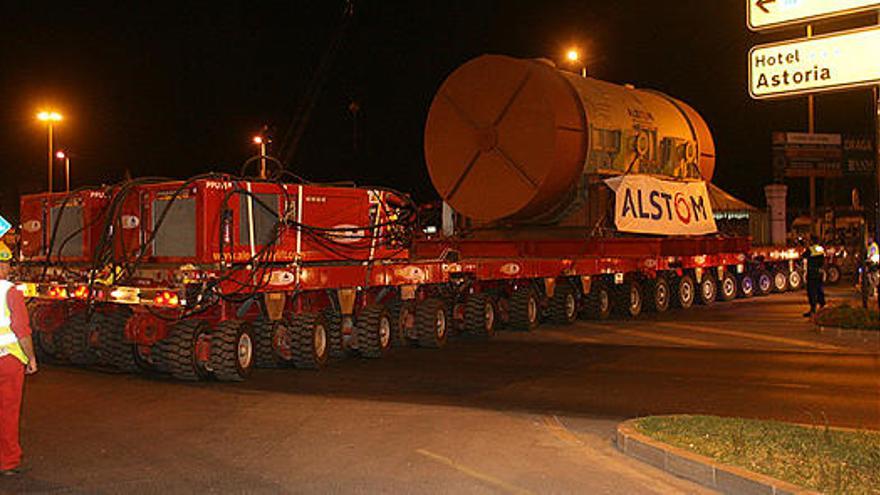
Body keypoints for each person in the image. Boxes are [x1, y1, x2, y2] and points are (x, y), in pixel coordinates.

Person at [0, 241, 37, 476]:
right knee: (8, 411)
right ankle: (7, 462)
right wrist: (31, 357)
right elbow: (22, 329)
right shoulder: (9, 292)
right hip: (8, 361)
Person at [801, 235, 826, 317]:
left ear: (811, 241)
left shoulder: (810, 249)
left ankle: (813, 309)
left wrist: (806, 246)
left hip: (812, 273)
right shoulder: (820, 249)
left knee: (811, 291)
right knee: (819, 289)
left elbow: (803, 255)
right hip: (819, 272)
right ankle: (822, 305)